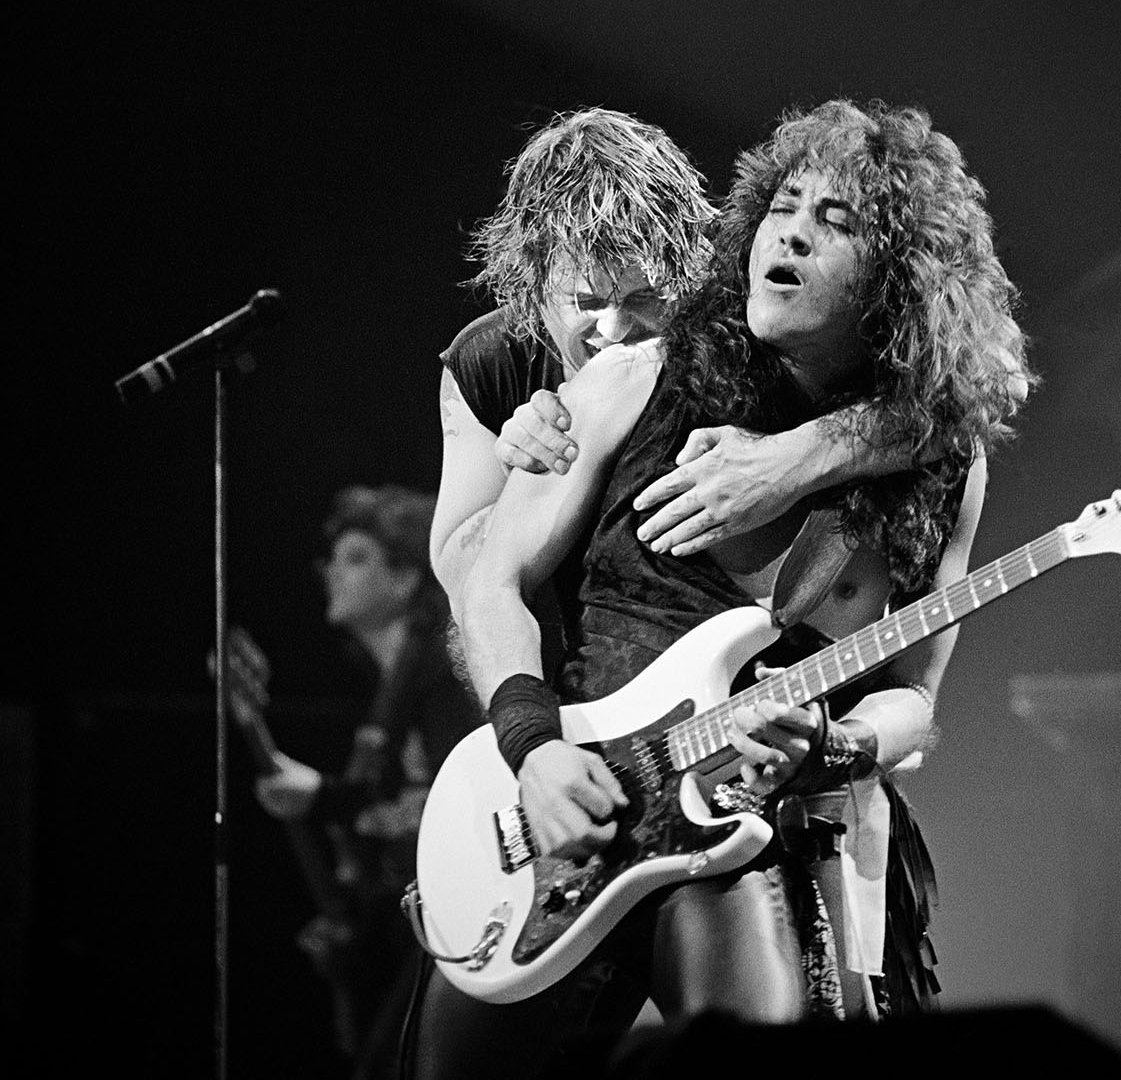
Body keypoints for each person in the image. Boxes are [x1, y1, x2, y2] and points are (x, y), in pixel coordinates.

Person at [408, 98, 1033, 1079]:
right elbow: (483, 580)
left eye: (835, 223)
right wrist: (529, 747)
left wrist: (835, 743)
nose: (790, 233)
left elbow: (914, 696)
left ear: (900, 272)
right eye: (783, 207)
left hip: (755, 824)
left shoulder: (941, 457)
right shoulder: (630, 377)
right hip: (567, 804)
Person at [429, 106, 937, 680]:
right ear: (532, 287)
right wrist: (533, 477)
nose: (615, 328)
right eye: (588, 303)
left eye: (645, 298)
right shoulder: (492, 357)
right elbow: (464, 579)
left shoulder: (736, 329)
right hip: (549, 677)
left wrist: (795, 457)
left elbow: (960, 406)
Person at [240, 482, 483, 1079]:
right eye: (334, 559)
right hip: (406, 916)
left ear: (405, 579)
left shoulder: (442, 672)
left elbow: (464, 792)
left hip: (456, 911)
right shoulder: (391, 682)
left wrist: (324, 798)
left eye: (357, 558)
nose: (332, 574)